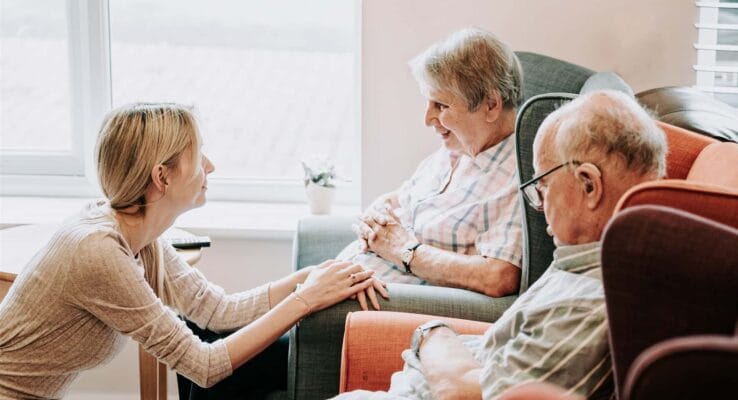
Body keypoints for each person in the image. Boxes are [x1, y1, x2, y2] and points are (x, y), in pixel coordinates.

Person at [0, 103, 386, 399]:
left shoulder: (140, 233)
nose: (211, 166)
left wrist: (311, 276)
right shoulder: (98, 251)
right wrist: (305, 300)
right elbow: (203, 365)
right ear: (162, 177)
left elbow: (218, 311)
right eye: (199, 156)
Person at [335, 90, 668, 400]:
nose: (539, 204)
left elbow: (464, 393)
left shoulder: (591, 301)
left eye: (544, 185)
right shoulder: (582, 258)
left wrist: (431, 333)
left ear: (588, 184)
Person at [343, 27, 524, 298]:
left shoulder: (518, 176)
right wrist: (377, 213)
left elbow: (499, 276)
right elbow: (402, 199)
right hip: (351, 273)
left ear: (491, 105)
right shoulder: (455, 150)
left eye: (441, 105)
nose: (427, 119)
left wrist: (404, 251)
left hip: (390, 303)